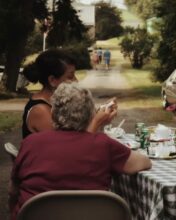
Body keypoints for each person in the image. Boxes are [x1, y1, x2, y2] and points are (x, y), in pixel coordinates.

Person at [9, 82, 152, 220]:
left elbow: (13, 191)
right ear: (90, 115)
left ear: (52, 112)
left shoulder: (30, 143)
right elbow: (143, 163)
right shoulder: (103, 144)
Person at [21, 49, 116, 139]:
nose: (76, 81)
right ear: (52, 80)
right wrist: (97, 122)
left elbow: (74, 136)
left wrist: (97, 114)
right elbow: (69, 149)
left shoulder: (57, 104)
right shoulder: (40, 110)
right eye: (70, 77)